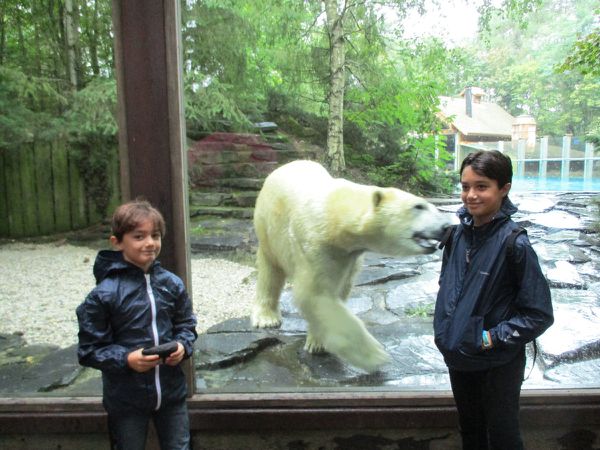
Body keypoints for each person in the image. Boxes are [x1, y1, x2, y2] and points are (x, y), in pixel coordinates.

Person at [434, 150, 554, 450]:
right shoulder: (456, 237)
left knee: (502, 438)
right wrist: (448, 333)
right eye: (465, 186)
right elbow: (448, 290)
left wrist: (487, 338)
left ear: (504, 188)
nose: (470, 195)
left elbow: (539, 313)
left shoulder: (516, 244)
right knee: (471, 433)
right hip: (459, 358)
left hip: (496, 363)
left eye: (481, 186)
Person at [76, 199, 198, 450]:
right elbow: (89, 349)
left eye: (155, 235)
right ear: (117, 242)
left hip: (171, 394)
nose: (150, 243)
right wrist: (126, 359)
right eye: (139, 236)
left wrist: (183, 346)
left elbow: (186, 324)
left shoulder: (171, 284)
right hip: (126, 400)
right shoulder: (103, 294)